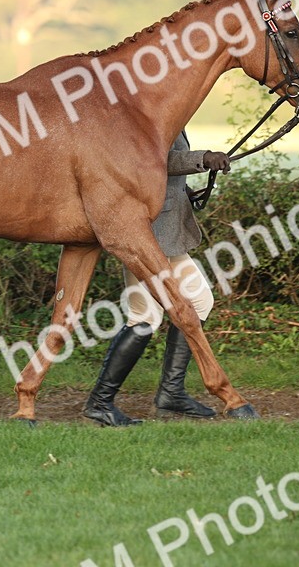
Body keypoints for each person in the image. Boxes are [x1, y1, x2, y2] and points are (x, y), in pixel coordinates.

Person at [82, 131, 230, 426]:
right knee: (144, 315)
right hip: (145, 233)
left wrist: (184, 191)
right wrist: (203, 158)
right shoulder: (142, 108)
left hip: (166, 231)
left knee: (199, 300)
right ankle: (100, 403)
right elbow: (152, 158)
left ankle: (171, 394)